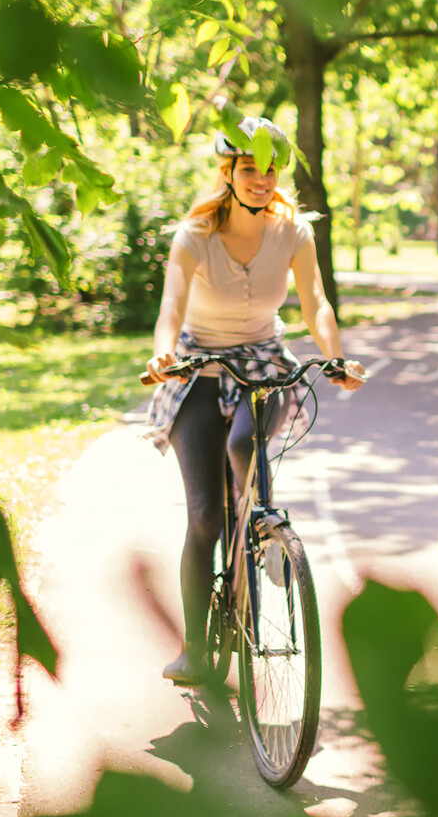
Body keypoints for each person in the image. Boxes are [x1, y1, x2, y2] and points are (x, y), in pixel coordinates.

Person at [143, 116, 367, 685]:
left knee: (246, 443)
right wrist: (163, 352)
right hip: (197, 366)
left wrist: (335, 355)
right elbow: (170, 305)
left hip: (264, 360)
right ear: (228, 173)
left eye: (270, 170)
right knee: (203, 518)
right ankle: (196, 648)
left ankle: (263, 532)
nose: (261, 180)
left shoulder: (293, 232)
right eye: (248, 169)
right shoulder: (194, 235)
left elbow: (315, 302)